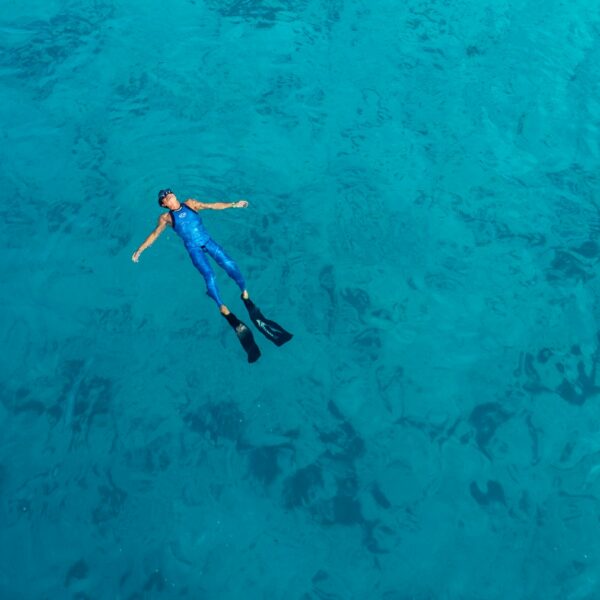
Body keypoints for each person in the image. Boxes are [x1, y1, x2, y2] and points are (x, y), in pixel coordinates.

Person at [131, 189, 292, 362]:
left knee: (230, 264)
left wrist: (233, 204)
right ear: (164, 204)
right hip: (194, 250)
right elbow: (154, 234)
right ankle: (223, 308)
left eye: (171, 194)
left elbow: (212, 206)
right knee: (210, 276)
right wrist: (140, 249)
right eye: (166, 197)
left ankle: (245, 294)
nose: (170, 196)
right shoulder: (166, 218)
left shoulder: (190, 204)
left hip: (208, 242)